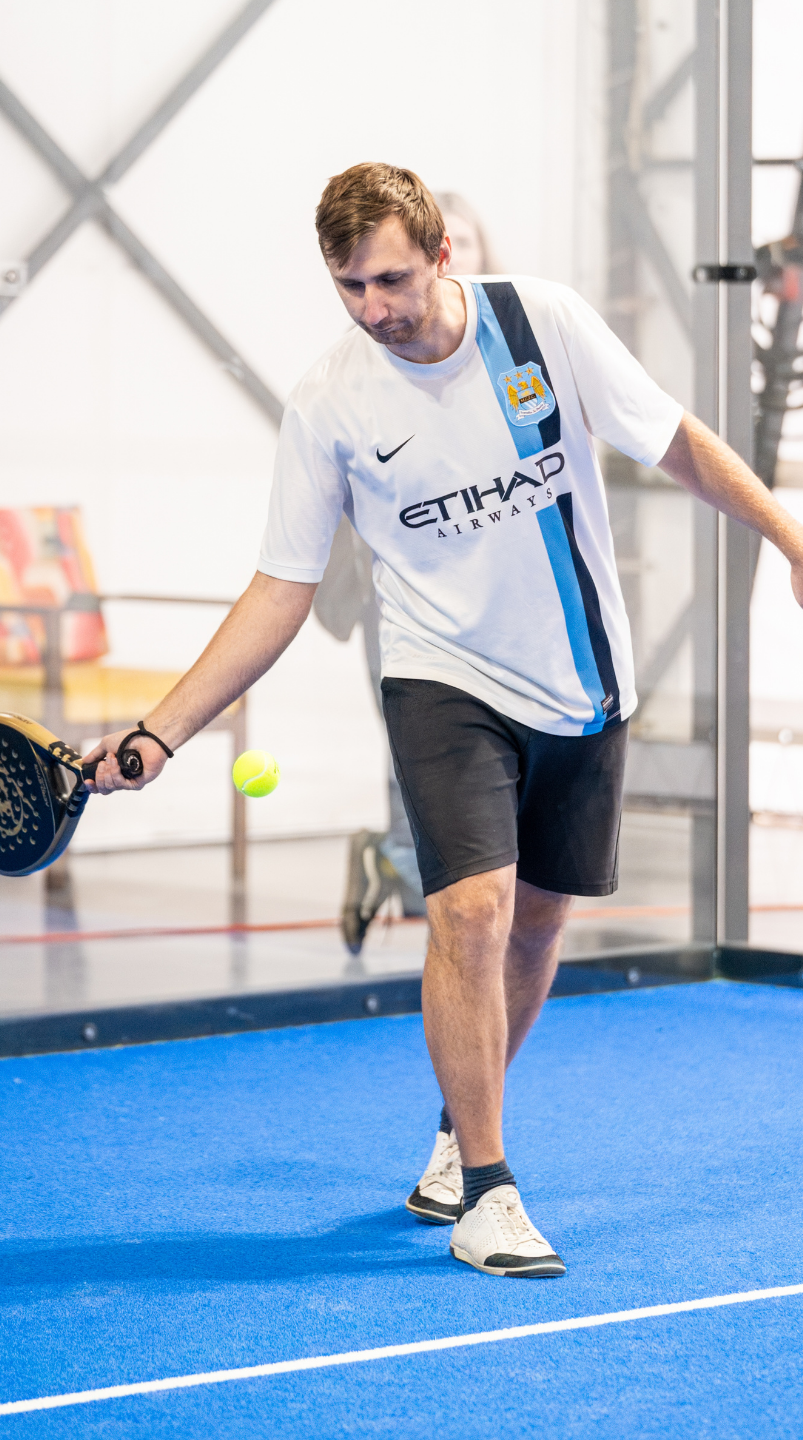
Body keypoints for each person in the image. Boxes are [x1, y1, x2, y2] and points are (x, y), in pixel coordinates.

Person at [85, 163, 803, 1280]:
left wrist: (798, 545)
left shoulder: (541, 324)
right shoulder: (329, 402)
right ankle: (491, 1193)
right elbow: (279, 589)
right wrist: (161, 732)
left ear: (442, 254)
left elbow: (676, 439)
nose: (373, 309)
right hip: (440, 678)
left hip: (582, 681)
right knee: (470, 910)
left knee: (538, 925)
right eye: (349, 287)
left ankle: (460, 1127)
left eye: (391, 280)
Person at [313, 192, 500, 956]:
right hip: (393, 597)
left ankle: (399, 864)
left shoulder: (519, 344)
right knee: (420, 747)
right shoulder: (354, 374)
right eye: (359, 283)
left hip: (495, 600)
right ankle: (421, 886)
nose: (376, 301)